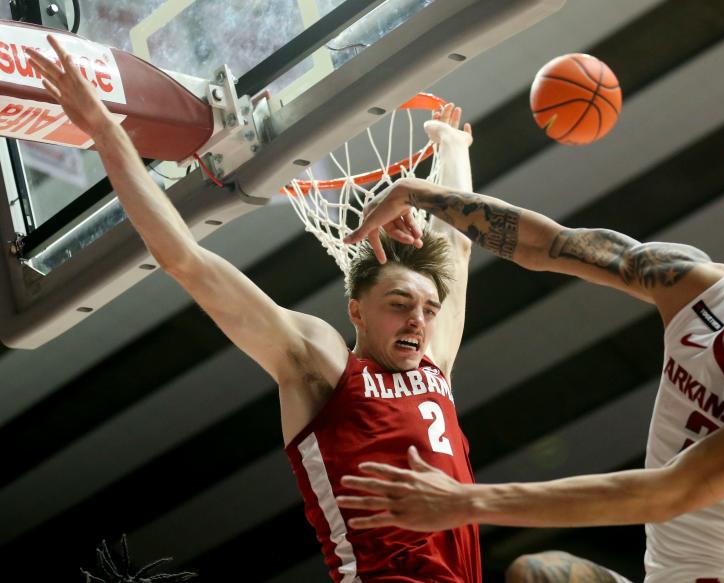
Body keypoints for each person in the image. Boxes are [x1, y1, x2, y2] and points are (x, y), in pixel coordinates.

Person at [337, 126, 724, 583]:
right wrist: (417, 193)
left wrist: (465, 502)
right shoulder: (691, 286)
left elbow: (671, 492)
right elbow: (548, 244)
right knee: (539, 574)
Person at [27, 36, 481, 583]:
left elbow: (456, 247)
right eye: (401, 302)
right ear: (355, 311)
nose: (419, 318)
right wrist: (105, 132)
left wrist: (453, 148)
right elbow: (186, 260)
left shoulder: (434, 368)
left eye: (429, 309)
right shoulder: (322, 365)